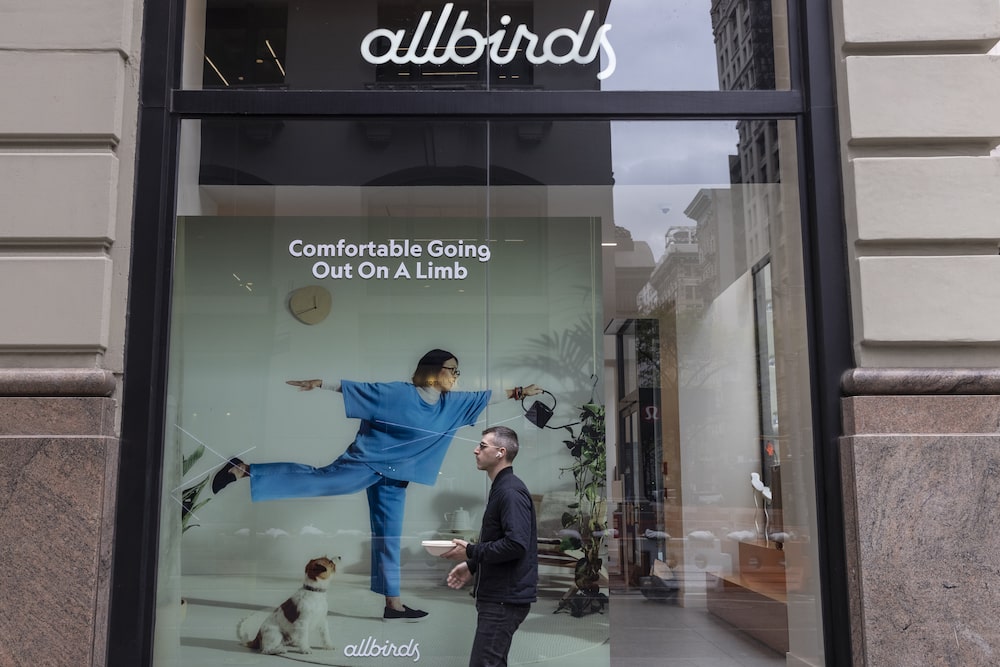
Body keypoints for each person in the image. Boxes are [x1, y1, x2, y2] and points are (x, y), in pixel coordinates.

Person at [211, 349, 541, 620]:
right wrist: (320, 383)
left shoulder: (450, 404)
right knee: (322, 482)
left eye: (457, 371)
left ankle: (393, 604)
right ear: (432, 370)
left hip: (395, 476)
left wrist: (520, 392)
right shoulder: (398, 393)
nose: (456, 376)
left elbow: (487, 396)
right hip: (366, 461)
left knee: (388, 534)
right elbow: (358, 388)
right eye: (451, 370)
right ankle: (245, 470)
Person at [442, 426, 538, 666]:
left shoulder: (510, 491)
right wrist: (472, 565)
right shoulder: (502, 488)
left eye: (483, 446)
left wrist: (471, 551)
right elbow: (501, 541)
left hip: (504, 600)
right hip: (500, 598)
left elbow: (516, 544)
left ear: (500, 452)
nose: (476, 450)